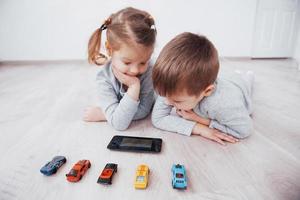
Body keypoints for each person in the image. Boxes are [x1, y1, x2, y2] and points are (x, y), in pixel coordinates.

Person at [152, 32, 254, 145]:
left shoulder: (222, 103)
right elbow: (158, 118)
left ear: (207, 91)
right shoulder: (170, 88)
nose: (167, 102)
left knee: (246, 80)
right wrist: (199, 128)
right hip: (223, 79)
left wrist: (202, 121)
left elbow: (244, 130)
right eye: (164, 96)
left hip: (239, 86)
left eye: (177, 101)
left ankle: (248, 76)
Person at [84, 7, 157, 131]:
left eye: (143, 62)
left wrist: (134, 86)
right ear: (109, 49)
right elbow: (120, 124)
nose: (135, 70)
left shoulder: (149, 71)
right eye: (127, 62)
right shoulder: (104, 79)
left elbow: (144, 111)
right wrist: (115, 117)